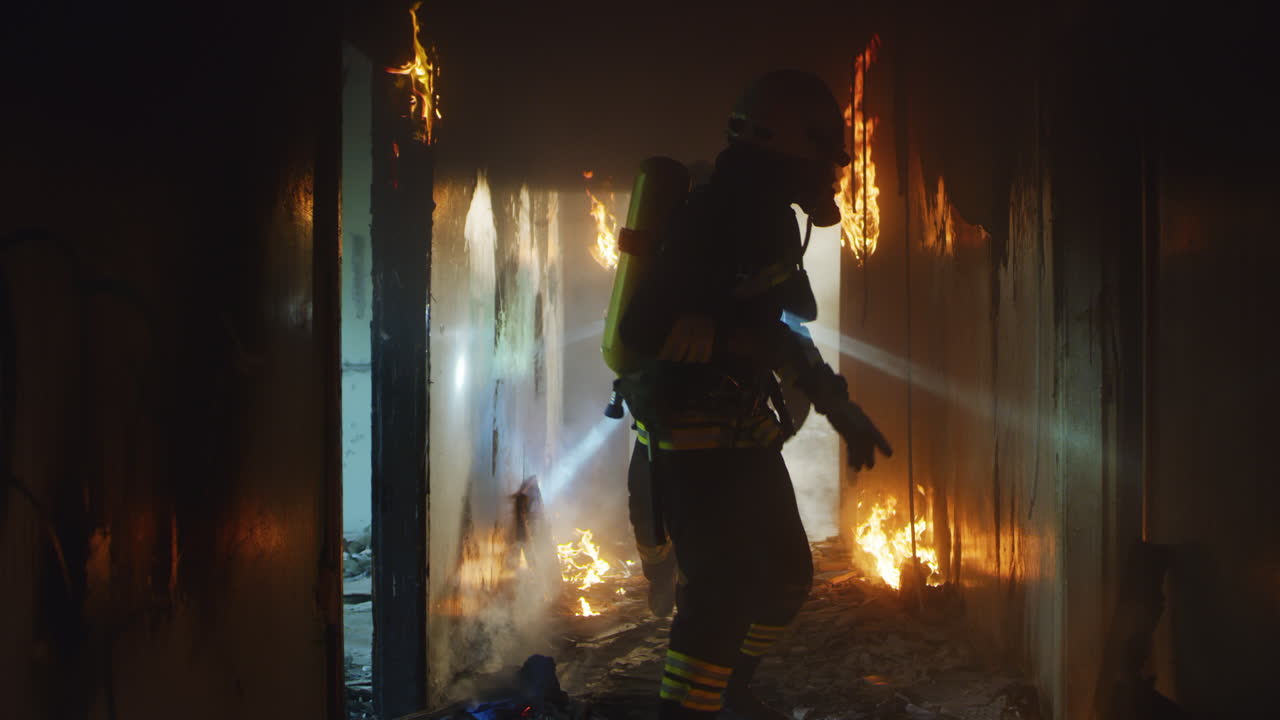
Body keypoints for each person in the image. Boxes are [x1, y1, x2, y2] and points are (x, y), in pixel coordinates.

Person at [616, 69, 893, 720]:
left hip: (742, 432)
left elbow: (780, 330)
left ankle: (729, 694)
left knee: (786, 580)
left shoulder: (768, 218)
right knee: (720, 596)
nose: (833, 170)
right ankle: (690, 710)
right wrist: (733, 340)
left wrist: (839, 407)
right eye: (825, 153)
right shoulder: (712, 217)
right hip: (693, 437)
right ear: (788, 144)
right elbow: (641, 327)